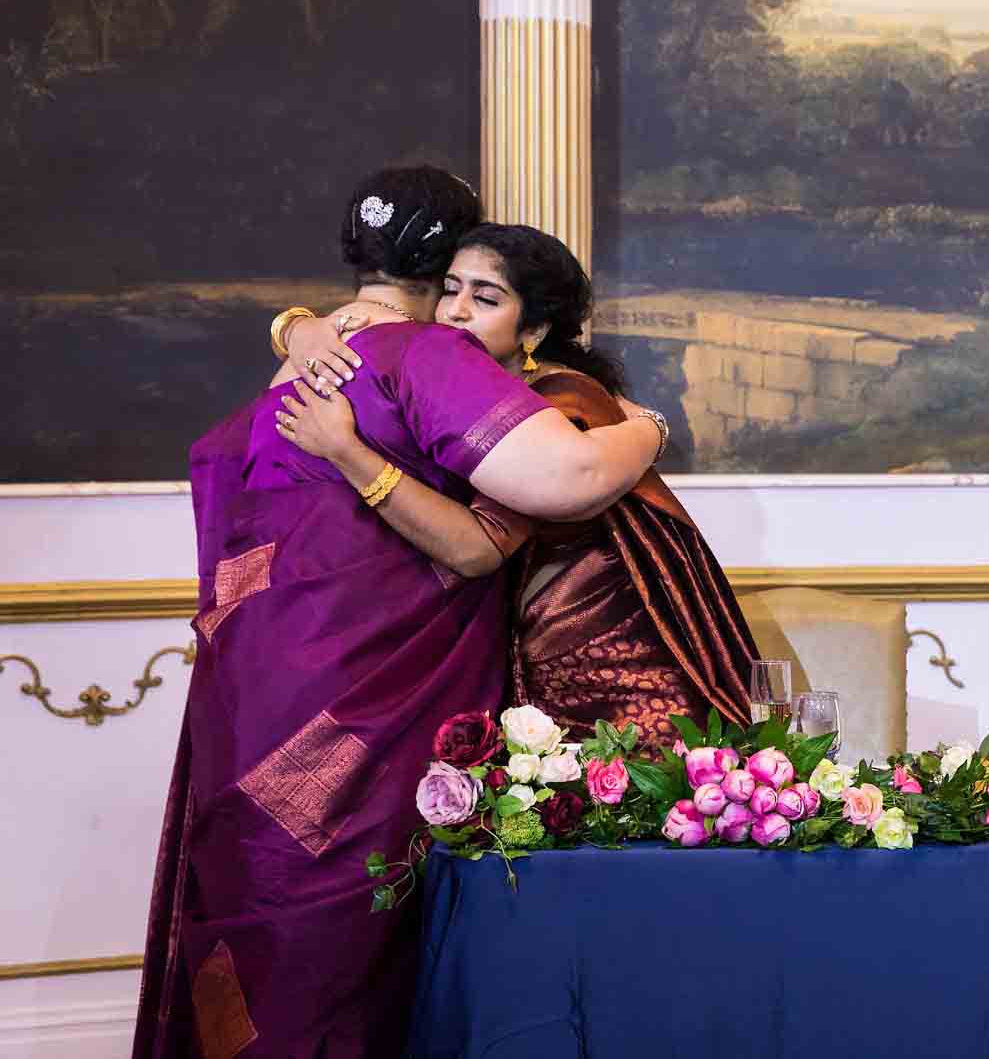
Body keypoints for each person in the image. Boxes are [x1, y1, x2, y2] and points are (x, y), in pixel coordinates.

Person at [134, 168, 672, 1059]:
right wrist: (650, 424)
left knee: (257, 933)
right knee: (348, 951)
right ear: (443, 259)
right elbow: (568, 480)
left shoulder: (296, 367)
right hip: (363, 714)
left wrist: (298, 326)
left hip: (248, 709)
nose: (463, 306)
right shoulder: (425, 359)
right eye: (457, 281)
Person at [280, 223, 759, 747]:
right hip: (539, 652)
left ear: (532, 331)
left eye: (485, 298)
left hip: (613, 675)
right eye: (449, 289)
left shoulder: (559, 402)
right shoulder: (469, 390)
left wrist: (346, 452)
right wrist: (295, 327)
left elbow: (475, 549)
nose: (456, 310)